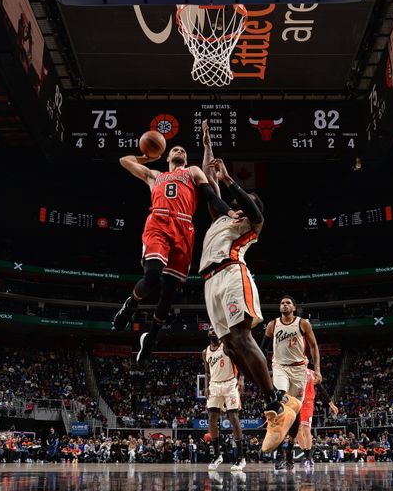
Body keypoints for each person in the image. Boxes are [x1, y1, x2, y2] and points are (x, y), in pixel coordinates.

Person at [198, 133, 299, 453]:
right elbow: (207, 182)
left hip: (231, 273)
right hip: (209, 282)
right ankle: (280, 404)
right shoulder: (223, 217)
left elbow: (254, 211)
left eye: (246, 201)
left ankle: (276, 406)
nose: (240, 205)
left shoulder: (250, 225)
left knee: (241, 339)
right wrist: (207, 148)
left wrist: (229, 179)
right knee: (230, 347)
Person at [112, 142, 236, 368]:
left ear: (186, 160)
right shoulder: (154, 175)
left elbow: (210, 196)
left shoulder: (193, 171)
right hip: (158, 223)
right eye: (176, 149)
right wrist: (146, 156)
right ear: (167, 156)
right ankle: (130, 304)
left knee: (168, 294)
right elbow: (124, 161)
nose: (180, 150)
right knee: (151, 278)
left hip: (184, 228)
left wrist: (228, 211)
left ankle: (150, 339)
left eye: (184, 150)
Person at [262, 296, 322, 468]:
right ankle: (280, 453)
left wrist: (317, 369)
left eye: (288, 303)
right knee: (280, 398)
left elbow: (313, 346)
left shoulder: (302, 323)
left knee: (294, 413)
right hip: (280, 367)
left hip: (299, 370)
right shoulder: (273, 324)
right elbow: (262, 348)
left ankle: (289, 451)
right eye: (282, 303)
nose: (285, 305)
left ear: (294, 307)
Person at [202, 326, 246, 472]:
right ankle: (217, 456)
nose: (212, 330)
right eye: (209, 329)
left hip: (230, 383)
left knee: (233, 417)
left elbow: (242, 362)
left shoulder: (227, 347)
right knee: (212, 419)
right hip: (214, 385)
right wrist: (207, 386)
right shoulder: (205, 352)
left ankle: (240, 458)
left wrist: (241, 379)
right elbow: (207, 372)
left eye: (214, 328)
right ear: (207, 333)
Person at [296, 368, 338, 468]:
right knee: (297, 430)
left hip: (307, 403)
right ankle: (307, 456)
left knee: (305, 428)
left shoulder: (311, 373)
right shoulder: (294, 370)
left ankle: (308, 457)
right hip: (297, 403)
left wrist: (331, 405)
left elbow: (321, 389)